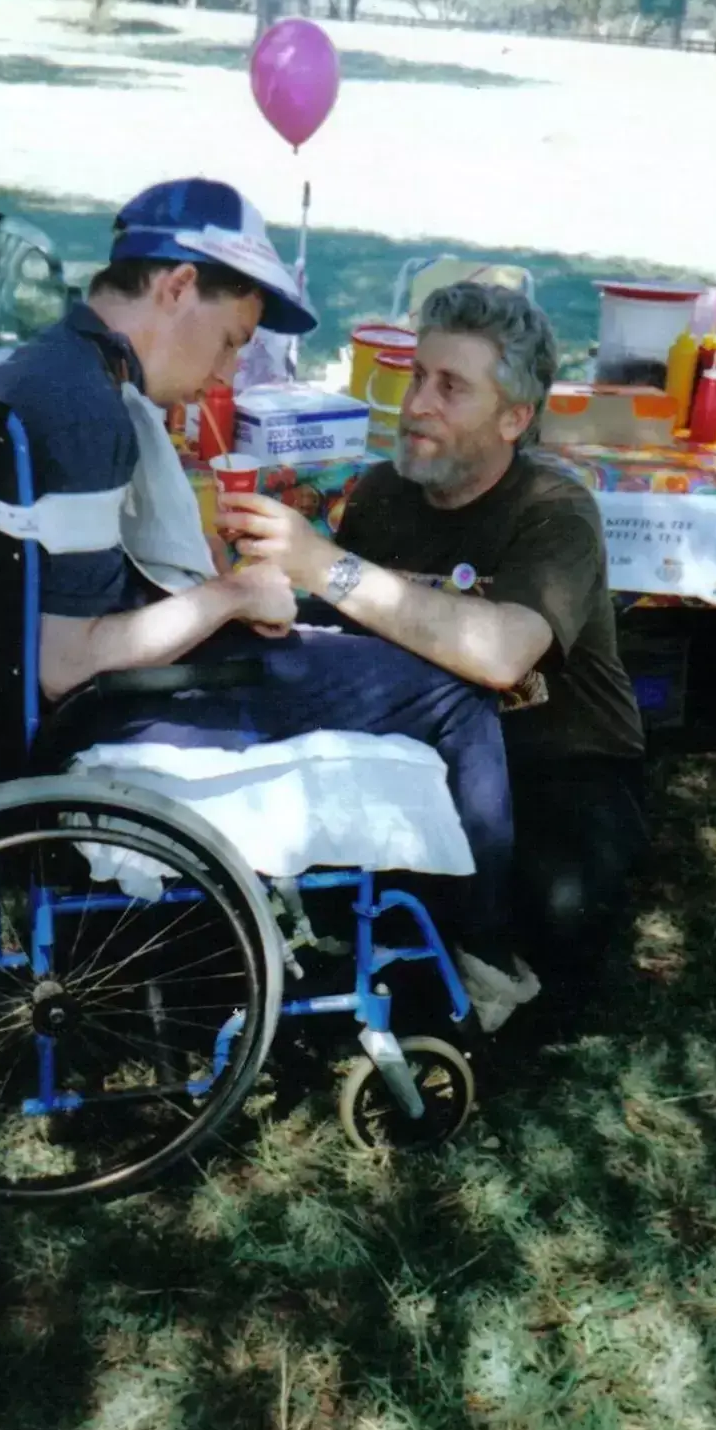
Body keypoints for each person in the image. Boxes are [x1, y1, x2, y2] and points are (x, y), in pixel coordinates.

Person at [0, 179, 538, 1031]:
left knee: (348, 645)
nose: (229, 370)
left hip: (32, 693)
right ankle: (480, 959)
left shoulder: (28, 368)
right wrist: (229, 593)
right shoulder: (87, 410)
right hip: (110, 711)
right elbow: (65, 661)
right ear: (174, 288)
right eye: (232, 342)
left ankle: (386, 913)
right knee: (455, 691)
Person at [221, 283, 648, 991]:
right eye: (418, 376)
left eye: (451, 388)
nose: (417, 404)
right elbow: (356, 631)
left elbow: (503, 654)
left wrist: (324, 564)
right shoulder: (386, 495)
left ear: (514, 417)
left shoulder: (555, 509)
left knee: (558, 918)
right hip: (426, 746)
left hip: (559, 757)